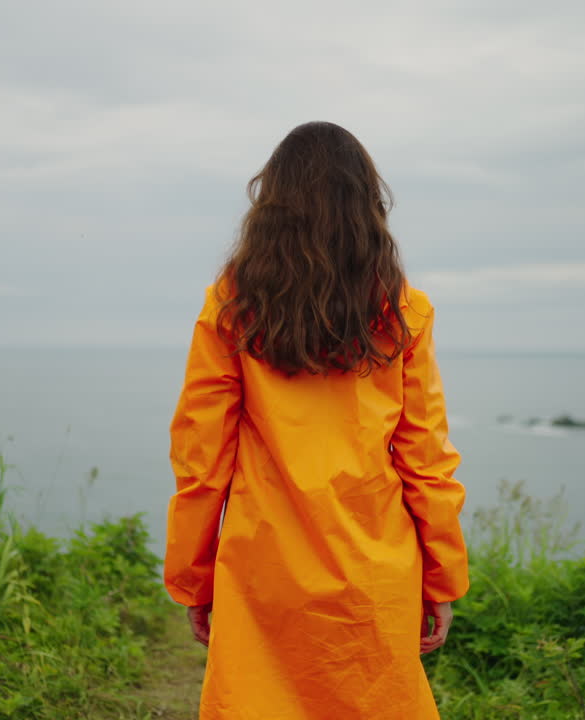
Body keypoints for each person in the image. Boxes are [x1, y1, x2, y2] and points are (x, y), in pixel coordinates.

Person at [163, 121, 469, 719]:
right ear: (366, 205)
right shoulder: (403, 310)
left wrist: (193, 579)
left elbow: (201, 459)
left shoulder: (231, 307)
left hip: (263, 572)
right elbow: (425, 459)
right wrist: (442, 578)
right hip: (372, 571)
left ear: (271, 207)